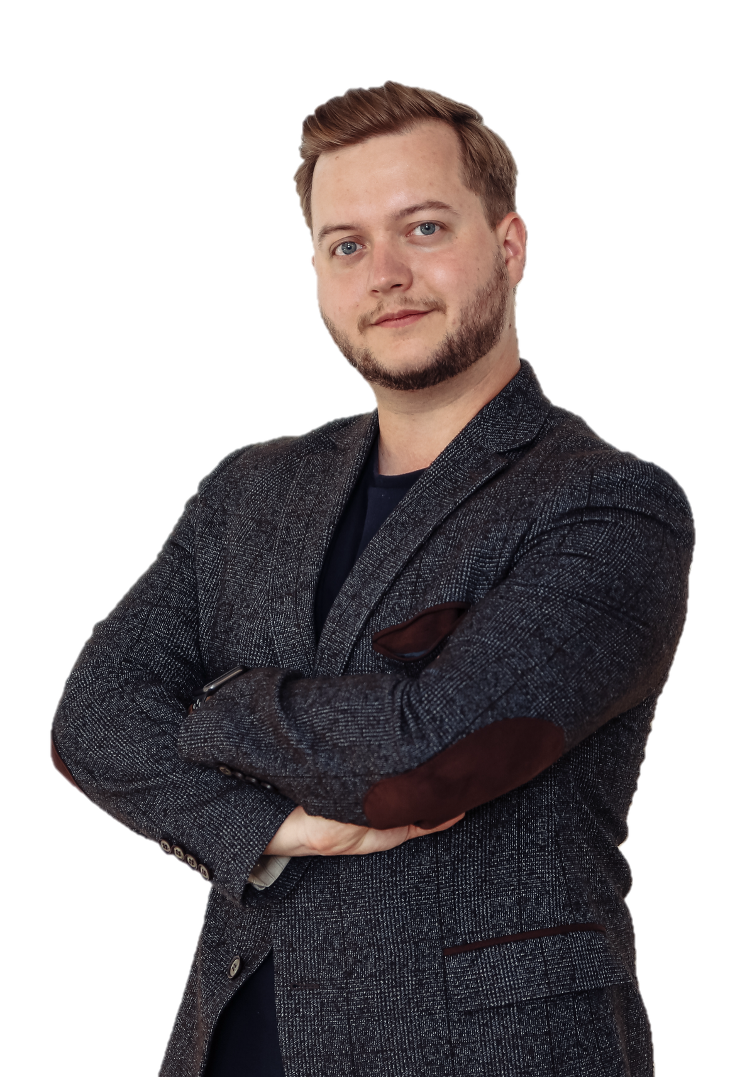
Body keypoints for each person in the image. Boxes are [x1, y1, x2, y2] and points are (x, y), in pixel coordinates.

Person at [50, 81, 695, 1077]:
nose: (385, 274)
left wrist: (215, 702)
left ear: (510, 245)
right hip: (228, 1045)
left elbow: (426, 756)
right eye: (346, 244)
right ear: (316, 272)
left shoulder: (609, 505)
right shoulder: (249, 488)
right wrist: (268, 828)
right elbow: (93, 715)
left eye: (423, 227)